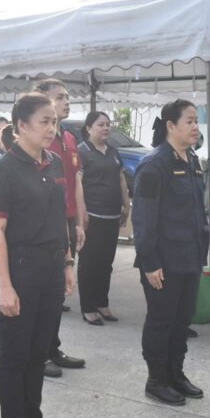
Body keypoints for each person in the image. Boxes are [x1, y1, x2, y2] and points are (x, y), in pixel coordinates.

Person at [0, 92, 75, 418]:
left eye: (54, 121)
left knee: (38, 353)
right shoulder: (4, 168)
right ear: (21, 126)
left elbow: (60, 217)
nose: (52, 128)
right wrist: (5, 285)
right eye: (44, 121)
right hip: (20, 270)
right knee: (15, 356)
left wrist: (67, 262)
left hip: (51, 269)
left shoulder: (54, 162)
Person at [131, 99, 207, 406]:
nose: (195, 127)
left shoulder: (192, 160)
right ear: (171, 126)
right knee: (161, 321)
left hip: (189, 257)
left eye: (196, 121)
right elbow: (143, 218)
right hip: (163, 260)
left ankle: (176, 373)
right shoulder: (154, 164)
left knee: (182, 321)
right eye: (189, 121)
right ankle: (156, 380)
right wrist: (150, 262)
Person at [34, 79, 86, 377]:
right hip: (43, 225)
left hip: (64, 222)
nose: (67, 102)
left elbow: (75, 181)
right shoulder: (38, 140)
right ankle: (38, 355)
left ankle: (52, 348)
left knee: (56, 294)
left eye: (68, 97)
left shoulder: (67, 137)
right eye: (60, 97)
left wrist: (78, 221)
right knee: (40, 295)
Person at [75, 111, 130, 325]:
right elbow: (78, 184)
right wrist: (82, 212)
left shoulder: (113, 151)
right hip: (93, 215)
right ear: (89, 128)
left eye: (108, 124)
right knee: (89, 263)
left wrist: (126, 205)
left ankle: (101, 303)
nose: (106, 128)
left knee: (106, 263)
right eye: (100, 124)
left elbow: (121, 179)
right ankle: (88, 307)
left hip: (112, 214)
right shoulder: (82, 151)